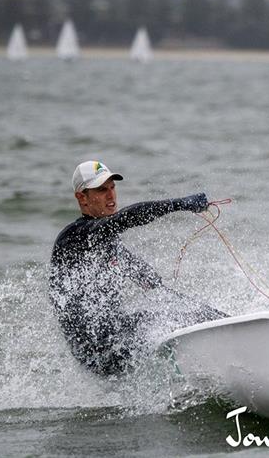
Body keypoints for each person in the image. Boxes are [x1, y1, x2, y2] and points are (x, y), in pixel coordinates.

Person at [49, 160, 226, 376]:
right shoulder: (74, 236)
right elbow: (126, 218)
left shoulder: (108, 242)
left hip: (114, 335)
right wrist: (180, 204)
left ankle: (228, 328)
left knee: (180, 313)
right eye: (102, 190)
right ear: (82, 197)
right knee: (158, 320)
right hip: (95, 348)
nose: (111, 196)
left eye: (113, 188)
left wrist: (159, 286)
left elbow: (148, 279)